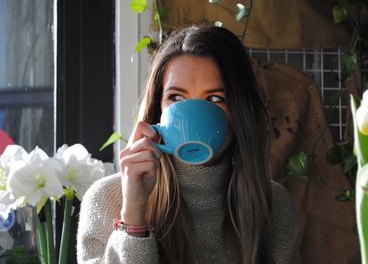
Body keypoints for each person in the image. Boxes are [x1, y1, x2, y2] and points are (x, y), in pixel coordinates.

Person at [77, 26, 300, 264]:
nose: (193, 115)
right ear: (158, 111)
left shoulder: (273, 204)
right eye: (176, 98)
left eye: (215, 99)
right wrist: (133, 214)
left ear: (240, 113)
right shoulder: (108, 200)